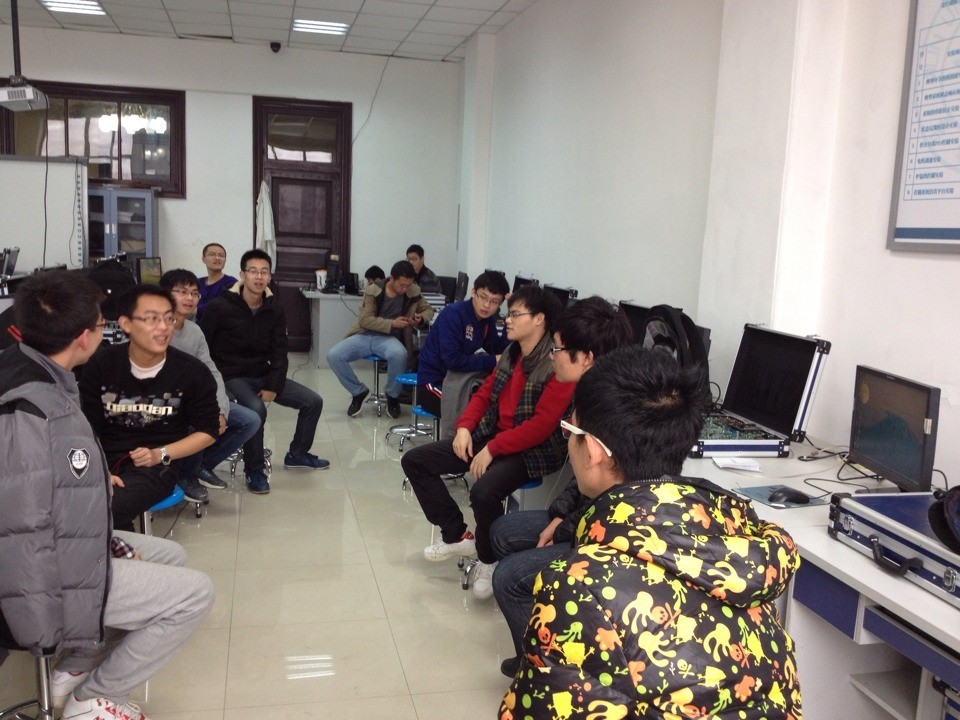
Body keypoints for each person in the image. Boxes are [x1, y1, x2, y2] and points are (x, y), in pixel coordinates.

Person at [500, 346, 803, 720]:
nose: (569, 440)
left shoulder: (576, 585)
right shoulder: (742, 539)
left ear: (593, 450)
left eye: (570, 430)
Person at [0, 270, 214, 720]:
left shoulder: (38, 372)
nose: (162, 327)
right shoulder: (36, 408)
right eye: (103, 325)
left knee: (169, 555)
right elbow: (23, 528)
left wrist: (104, 530)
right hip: (40, 579)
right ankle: (92, 699)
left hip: (65, 545)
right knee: (196, 593)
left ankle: (74, 667)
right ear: (85, 337)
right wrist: (49, 613)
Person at [489, 296, 633, 676]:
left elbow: (609, 500)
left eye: (557, 349)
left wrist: (565, 526)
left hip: (606, 533)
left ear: (586, 358)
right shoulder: (588, 396)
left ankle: (547, 671)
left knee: (509, 576)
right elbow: (581, 481)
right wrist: (559, 516)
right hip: (584, 518)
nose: (551, 356)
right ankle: (543, 636)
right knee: (502, 532)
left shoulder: (612, 411)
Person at [401, 285, 571, 599]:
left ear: (539, 319)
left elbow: (540, 427)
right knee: (416, 461)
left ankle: (488, 559)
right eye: (509, 314)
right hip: (494, 436)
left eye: (515, 314)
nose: (507, 320)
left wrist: (492, 448)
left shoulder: (557, 363)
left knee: (483, 491)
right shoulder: (512, 353)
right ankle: (456, 535)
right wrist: (464, 428)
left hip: (531, 450)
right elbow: (484, 394)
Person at [79, 285, 221, 532]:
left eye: (168, 318)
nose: (163, 327)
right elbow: (88, 426)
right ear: (126, 323)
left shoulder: (191, 372)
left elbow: (208, 431)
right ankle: (124, 550)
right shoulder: (101, 365)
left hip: (156, 467)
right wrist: (98, 469)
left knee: (106, 509)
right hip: (102, 457)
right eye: (152, 319)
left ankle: (120, 550)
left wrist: (160, 454)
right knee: (69, 504)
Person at [200, 249, 329, 495]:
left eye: (264, 272)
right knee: (256, 410)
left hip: (262, 373)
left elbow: (280, 351)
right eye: (253, 271)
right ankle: (254, 470)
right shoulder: (219, 307)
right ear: (242, 275)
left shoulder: (274, 308)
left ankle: (297, 454)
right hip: (232, 376)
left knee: (313, 401)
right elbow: (204, 348)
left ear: (269, 276)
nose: (259, 277)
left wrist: (273, 385)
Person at [159, 269, 261, 498]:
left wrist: (221, 409)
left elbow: (211, 372)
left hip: (197, 401)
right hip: (168, 404)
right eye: (182, 292)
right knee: (200, 419)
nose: (189, 298)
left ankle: (200, 466)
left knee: (250, 420)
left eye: (194, 293)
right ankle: (186, 476)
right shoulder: (156, 330)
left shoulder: (195, 331)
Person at [326, 259, 434, 419]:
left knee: (400, 354)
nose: (404, 289)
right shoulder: (373, 290)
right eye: (401, 285)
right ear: (392, 278)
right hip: (365, 334)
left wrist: (420, 318)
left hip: (390, 338)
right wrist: (392, 323)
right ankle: (358, 391)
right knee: (333, 355)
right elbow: (365, 320)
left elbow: (428, 309)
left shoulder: (413, 290)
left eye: (408, 285)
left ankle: (392, 396)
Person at [415, 270, 511, 417]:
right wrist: (493, 360)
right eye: (483, 297)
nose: (486, 305)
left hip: (459, 380)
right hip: (433, 383)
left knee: (494, 404)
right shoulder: (454, 314)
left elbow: (497, 349)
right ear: (473, 293)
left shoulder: (487, 318)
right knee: (476, 411)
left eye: (494, 302)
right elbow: (452, 360)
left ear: (501, 303)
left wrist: (511, 319)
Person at [196, 242, 237, 319]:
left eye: (221, 255)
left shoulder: (231, 283)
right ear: (203, 259)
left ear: (225, 260)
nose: (217, 258)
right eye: (212, 254)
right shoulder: (197, 283)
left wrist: (196, 310)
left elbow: (222, 308)